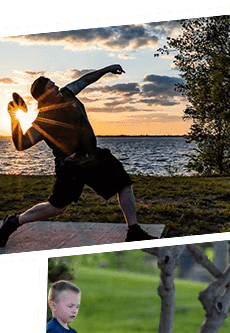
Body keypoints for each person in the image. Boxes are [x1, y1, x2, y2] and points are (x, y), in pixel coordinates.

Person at [1, 67, 154, 247]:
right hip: (70, 167)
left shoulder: (67, 93)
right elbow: (22, 144)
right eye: (52, 87)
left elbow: (86, 79)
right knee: (57, 208)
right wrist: (14, 118)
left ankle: (134, 230)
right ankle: (14, 222)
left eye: (54, 84)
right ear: (44, 96)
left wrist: (108, 69)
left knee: (124, 184)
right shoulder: (43, 121)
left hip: (94, 157)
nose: (56, 87)